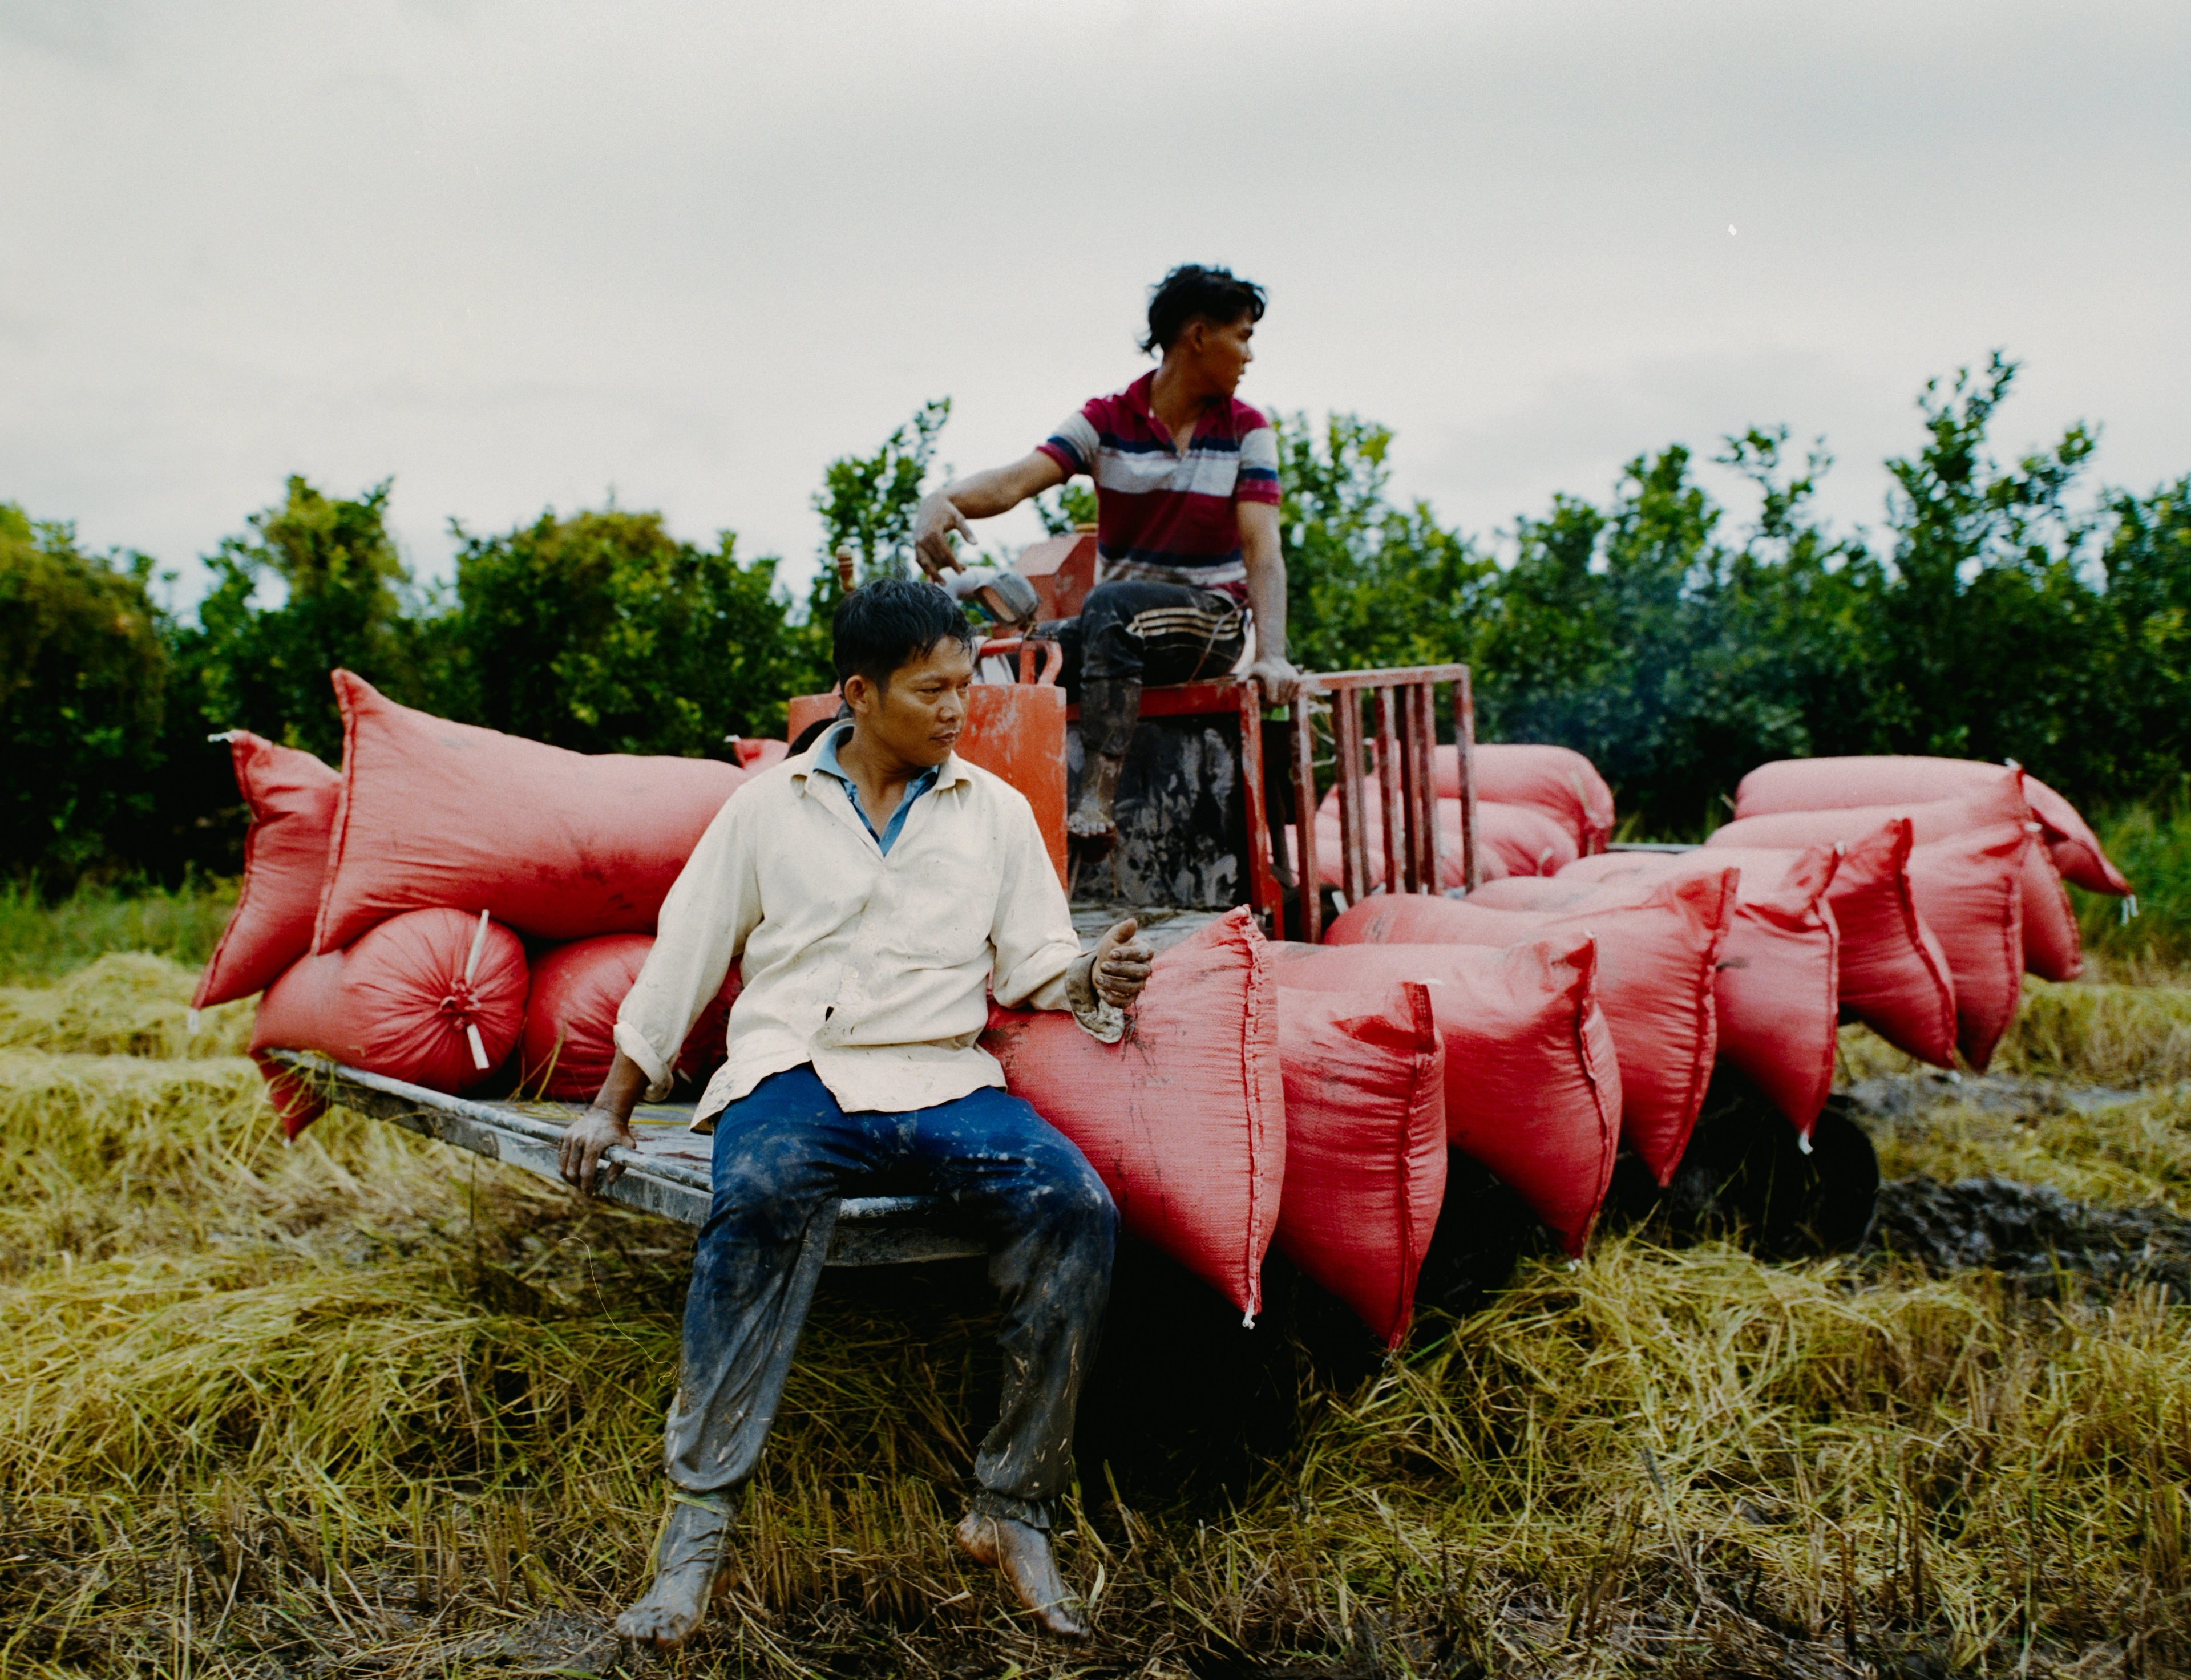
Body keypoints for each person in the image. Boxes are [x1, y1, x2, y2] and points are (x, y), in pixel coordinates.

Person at [556, 578, 1154, 1648]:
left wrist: (1091, 981)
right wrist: (612, 1107)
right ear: (859, 692)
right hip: (796, 1073)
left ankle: (1011, 1509)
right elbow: (685, 952)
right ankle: (696, 1526)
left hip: (939, 1078)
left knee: (1075, 1203)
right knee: (757, 1197)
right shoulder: (767, 809)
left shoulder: (996, 814)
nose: (954, 710)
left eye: (964, 688)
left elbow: (1037, 964)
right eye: (931, 690)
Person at [911, 264, 1302, 844]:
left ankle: (1095, 797)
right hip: (1116, 630)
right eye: (1242, 336)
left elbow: (1262, 551)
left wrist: (1271, 655)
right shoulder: (1107, 419)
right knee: (1007, 658)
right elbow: (1015, 481)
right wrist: (941, 498)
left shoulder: (1247, 430)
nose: (1249, 356)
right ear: (1198, 335)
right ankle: (950, 820)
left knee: (1110, 606)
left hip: (1211, 622)